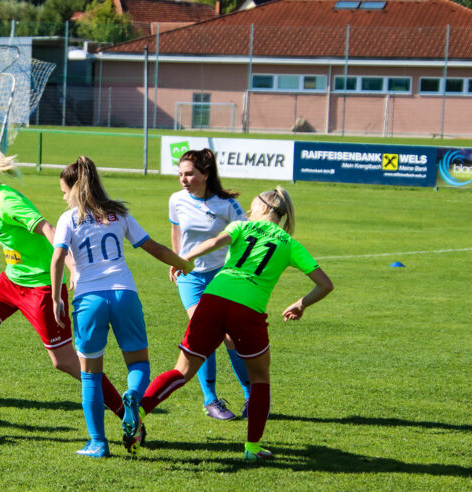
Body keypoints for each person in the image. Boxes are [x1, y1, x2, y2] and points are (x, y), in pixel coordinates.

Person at [124, 186, 333, 460]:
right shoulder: (290, 243)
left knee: (182, 370)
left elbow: (212, 244)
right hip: (248, 308)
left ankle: (138, 410)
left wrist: (183, 259)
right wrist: (301, 303)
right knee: (260, 380)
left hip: (214, 297)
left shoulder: (241, 227)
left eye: (254, 204)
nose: (249, 208)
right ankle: (252, 449)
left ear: (265, 209)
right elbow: (325, 284)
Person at [0, 146, 125, 430]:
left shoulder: (8, 199)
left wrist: (72, 268)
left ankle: (125, 411)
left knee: (66, 361)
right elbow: (1, 220)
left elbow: (46, 228)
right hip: (11, 281)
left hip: (40, 288)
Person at [51, 157, 193, 458]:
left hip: (89, 300)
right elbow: (152, 246)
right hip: (124, 295)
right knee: (139, 364)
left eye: (64, 190)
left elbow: (57, 258)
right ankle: (132, 397)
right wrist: (181, 263)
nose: (63, 197)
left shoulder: (68, 219)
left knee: (90, 375)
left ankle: (98, 443)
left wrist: (56, 297)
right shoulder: (118, 213)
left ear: (75, 188)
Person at [168, 149, 252, 420]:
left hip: (221, 276)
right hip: (191, 277)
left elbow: (246, 237)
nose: (183, 179)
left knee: (230, 338)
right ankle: (211, 400)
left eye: (189, 173)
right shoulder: (176, 200)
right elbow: (176, 230)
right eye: (180, 173)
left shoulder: (227, 205)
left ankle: (251, 397)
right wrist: (178, 260)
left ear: (205, 175)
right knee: (203, 335)